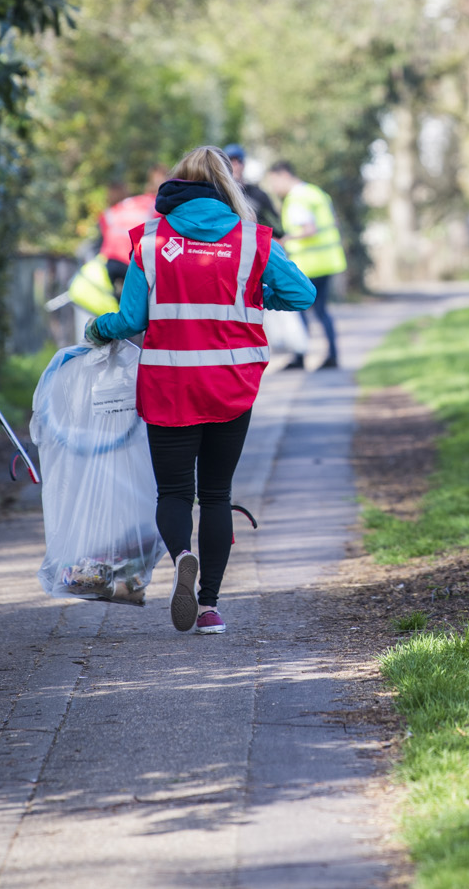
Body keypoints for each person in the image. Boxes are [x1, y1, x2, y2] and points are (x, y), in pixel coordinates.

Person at [83, 146, 313, 634]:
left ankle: (181, 555)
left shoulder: (149, 240)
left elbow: (131, 320)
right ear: (227, 187)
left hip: (169, 383)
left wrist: (97, 330)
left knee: (172, 492)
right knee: (216, 493)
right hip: (231, 384)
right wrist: (256, 296)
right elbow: (302, 293)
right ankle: (208, 606)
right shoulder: (253, 240)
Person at [264, 160, 346, 371]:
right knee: (321, 311)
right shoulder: (315, 192)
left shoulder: (297, 198)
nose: (274, 188)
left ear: (283, 175)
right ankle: (331, 355)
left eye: (274, 182)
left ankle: (301, 356)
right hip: (328, 260)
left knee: (300, 308)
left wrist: (285, 240)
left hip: (311, 264)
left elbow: (309, 228)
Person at [223, 144, 282, 232]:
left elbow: (275, 224)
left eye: (238, 161)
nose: (235, 165)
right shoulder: (219, 194)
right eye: (230, 161)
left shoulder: (259, 195)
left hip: (254, 242)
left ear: (244, 164)